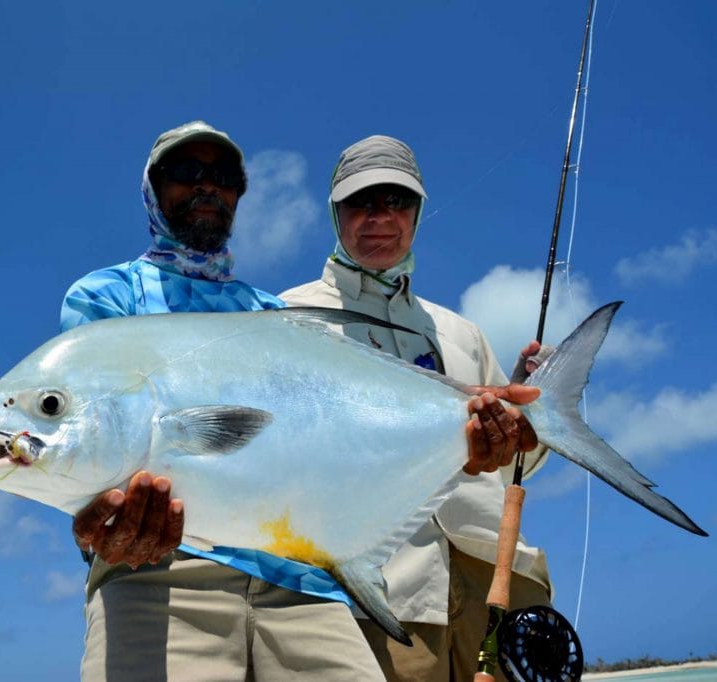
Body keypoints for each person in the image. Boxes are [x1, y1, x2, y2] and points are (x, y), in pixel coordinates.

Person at [60, 122, 541, 681]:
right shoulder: (107, 297)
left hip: (303, 581)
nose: (206, 186)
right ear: (151, 186)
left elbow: (332, 444)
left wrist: (493, 431)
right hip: (164, 572)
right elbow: (87, 439)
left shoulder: (274, 312)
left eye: (223, 176)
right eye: (185, 172)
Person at [280, 134, 553, 681]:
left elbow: (521, 465)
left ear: (418, 211)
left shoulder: (460, 332)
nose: (380, 217)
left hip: (496, 572)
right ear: (336, 214)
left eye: (397, 200)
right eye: (362, 201)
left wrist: (528, 417)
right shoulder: (286, 318)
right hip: (378, 591)